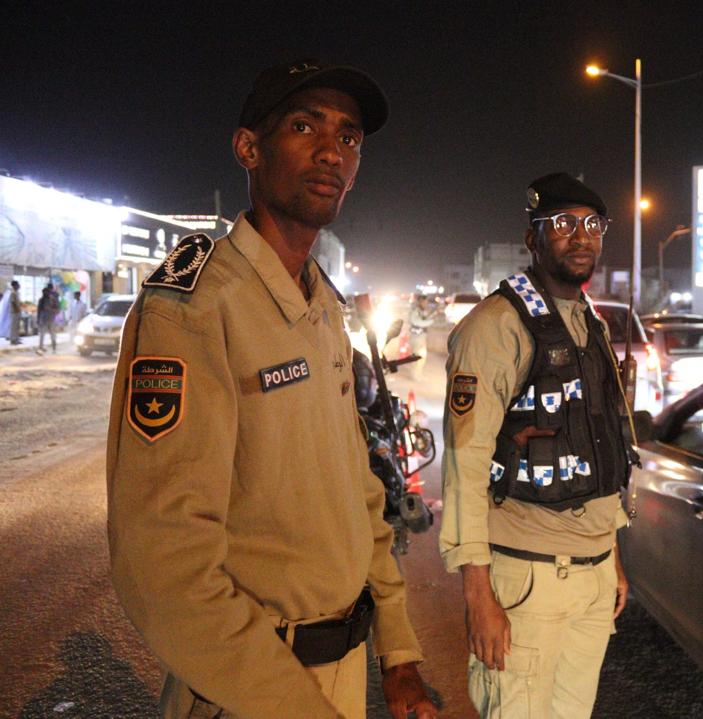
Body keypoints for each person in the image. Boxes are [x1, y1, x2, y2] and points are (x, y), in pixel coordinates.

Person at [106, 59, 437, 719]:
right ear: (248, 148)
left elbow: (360, 494)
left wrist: (398, 650)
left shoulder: (321, 306)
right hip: (252, 687)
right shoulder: (195, 306)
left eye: (348, 137)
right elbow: (165, 562)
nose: (332, 151)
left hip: (340, 670)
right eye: (304, 126)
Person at [441, 173, 636, 718]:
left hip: (593, 572)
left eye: (592, 225)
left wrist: (612, 558)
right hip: (528, 579)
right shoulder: (496, 327)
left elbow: (600, 446)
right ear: (533, 238)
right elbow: (465, 463)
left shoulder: (590, 324)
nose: (581, 236)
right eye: (564, 224)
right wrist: (477, 594)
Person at [36, 284, 60, 354]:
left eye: (46, 292)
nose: (45, 294)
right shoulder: (41, 300)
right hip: (43, 320)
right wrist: (38, 319)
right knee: (42, 334)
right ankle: (40, 348)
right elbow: (39, 310)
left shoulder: (53, 300)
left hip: (51, 319)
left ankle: (54, 348)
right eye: (43, 293)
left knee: (52, 335)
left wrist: (50, 310)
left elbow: (58, 310)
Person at [0, 280, 21, 345]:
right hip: (14, 312)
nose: (19, 286)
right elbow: (13, 302)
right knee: (13, 327)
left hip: (17, 311)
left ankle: (16, 339)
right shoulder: (12, 293)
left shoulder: (16, 293)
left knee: (16, 326)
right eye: (17, 285)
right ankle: (13, 340)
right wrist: (17, 310)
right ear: (14, 286)